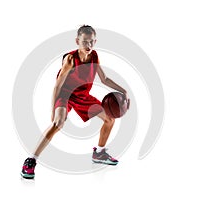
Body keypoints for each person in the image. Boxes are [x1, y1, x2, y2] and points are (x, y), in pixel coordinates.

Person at [21, 25, 130, 179]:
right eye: (85, 42)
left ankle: (99, 153)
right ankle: (31, 160)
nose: (89, 45)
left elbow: (104, 79)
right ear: (77, 41)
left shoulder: (94, 56)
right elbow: (58, 85)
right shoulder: (71, 59)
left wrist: (123, 90)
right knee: (57, 124)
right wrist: (53, 110)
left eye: (91, 42)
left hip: (83, 95)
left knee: (109, 119)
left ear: (95, 41)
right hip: (65, 94)